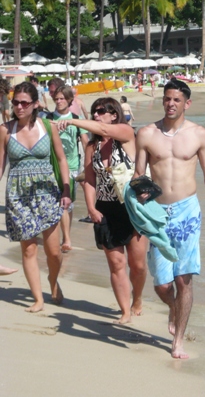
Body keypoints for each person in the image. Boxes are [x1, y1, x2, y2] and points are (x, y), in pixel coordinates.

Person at [133, 79, 205, 359]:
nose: (171, 104)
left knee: (184, 279)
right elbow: (139, 175)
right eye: (167, 98)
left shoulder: (198, 134)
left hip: (187, 211)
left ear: (187, 103)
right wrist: (139, 210)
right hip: (158, 212)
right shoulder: (147, 134)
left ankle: (178, 342)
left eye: (176, 99)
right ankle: (174, 308)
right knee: (162, 284)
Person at [57, 97, 148, 324]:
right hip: (106, 209)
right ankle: (125, 311)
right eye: (94, 112)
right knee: (116, 264)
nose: (96, 115)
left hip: (133, 207)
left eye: (100, 111)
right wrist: (91, 207)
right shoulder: (92, 146)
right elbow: (89, 180)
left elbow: (105, 130)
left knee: (137, 265)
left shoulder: (126, 134)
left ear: (114, 115)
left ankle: (137, 298)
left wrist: (73, 121)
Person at [0, 81, 71, 312]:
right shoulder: (5, 129)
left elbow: (61, 159)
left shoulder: (47, 126)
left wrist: (66, 189)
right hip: (18, 196)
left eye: (24, 103)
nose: (19, 107)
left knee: (54, 252)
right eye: (16, 102)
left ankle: (53, 280)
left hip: (47, 193)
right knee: (29, 249)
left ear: (35, 104)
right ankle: (38, 298)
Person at [47, 86, 89, 253]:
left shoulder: (76, 119)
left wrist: (88, 166)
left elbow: (85, 142)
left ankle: (66, 238)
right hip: (50, 166)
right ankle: (56, 237)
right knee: (54, 203)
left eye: (62, 98)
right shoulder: (48, 118)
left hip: (72, 166)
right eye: (56, 99)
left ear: (69, 100)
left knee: (66, 203)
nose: (58, 101)